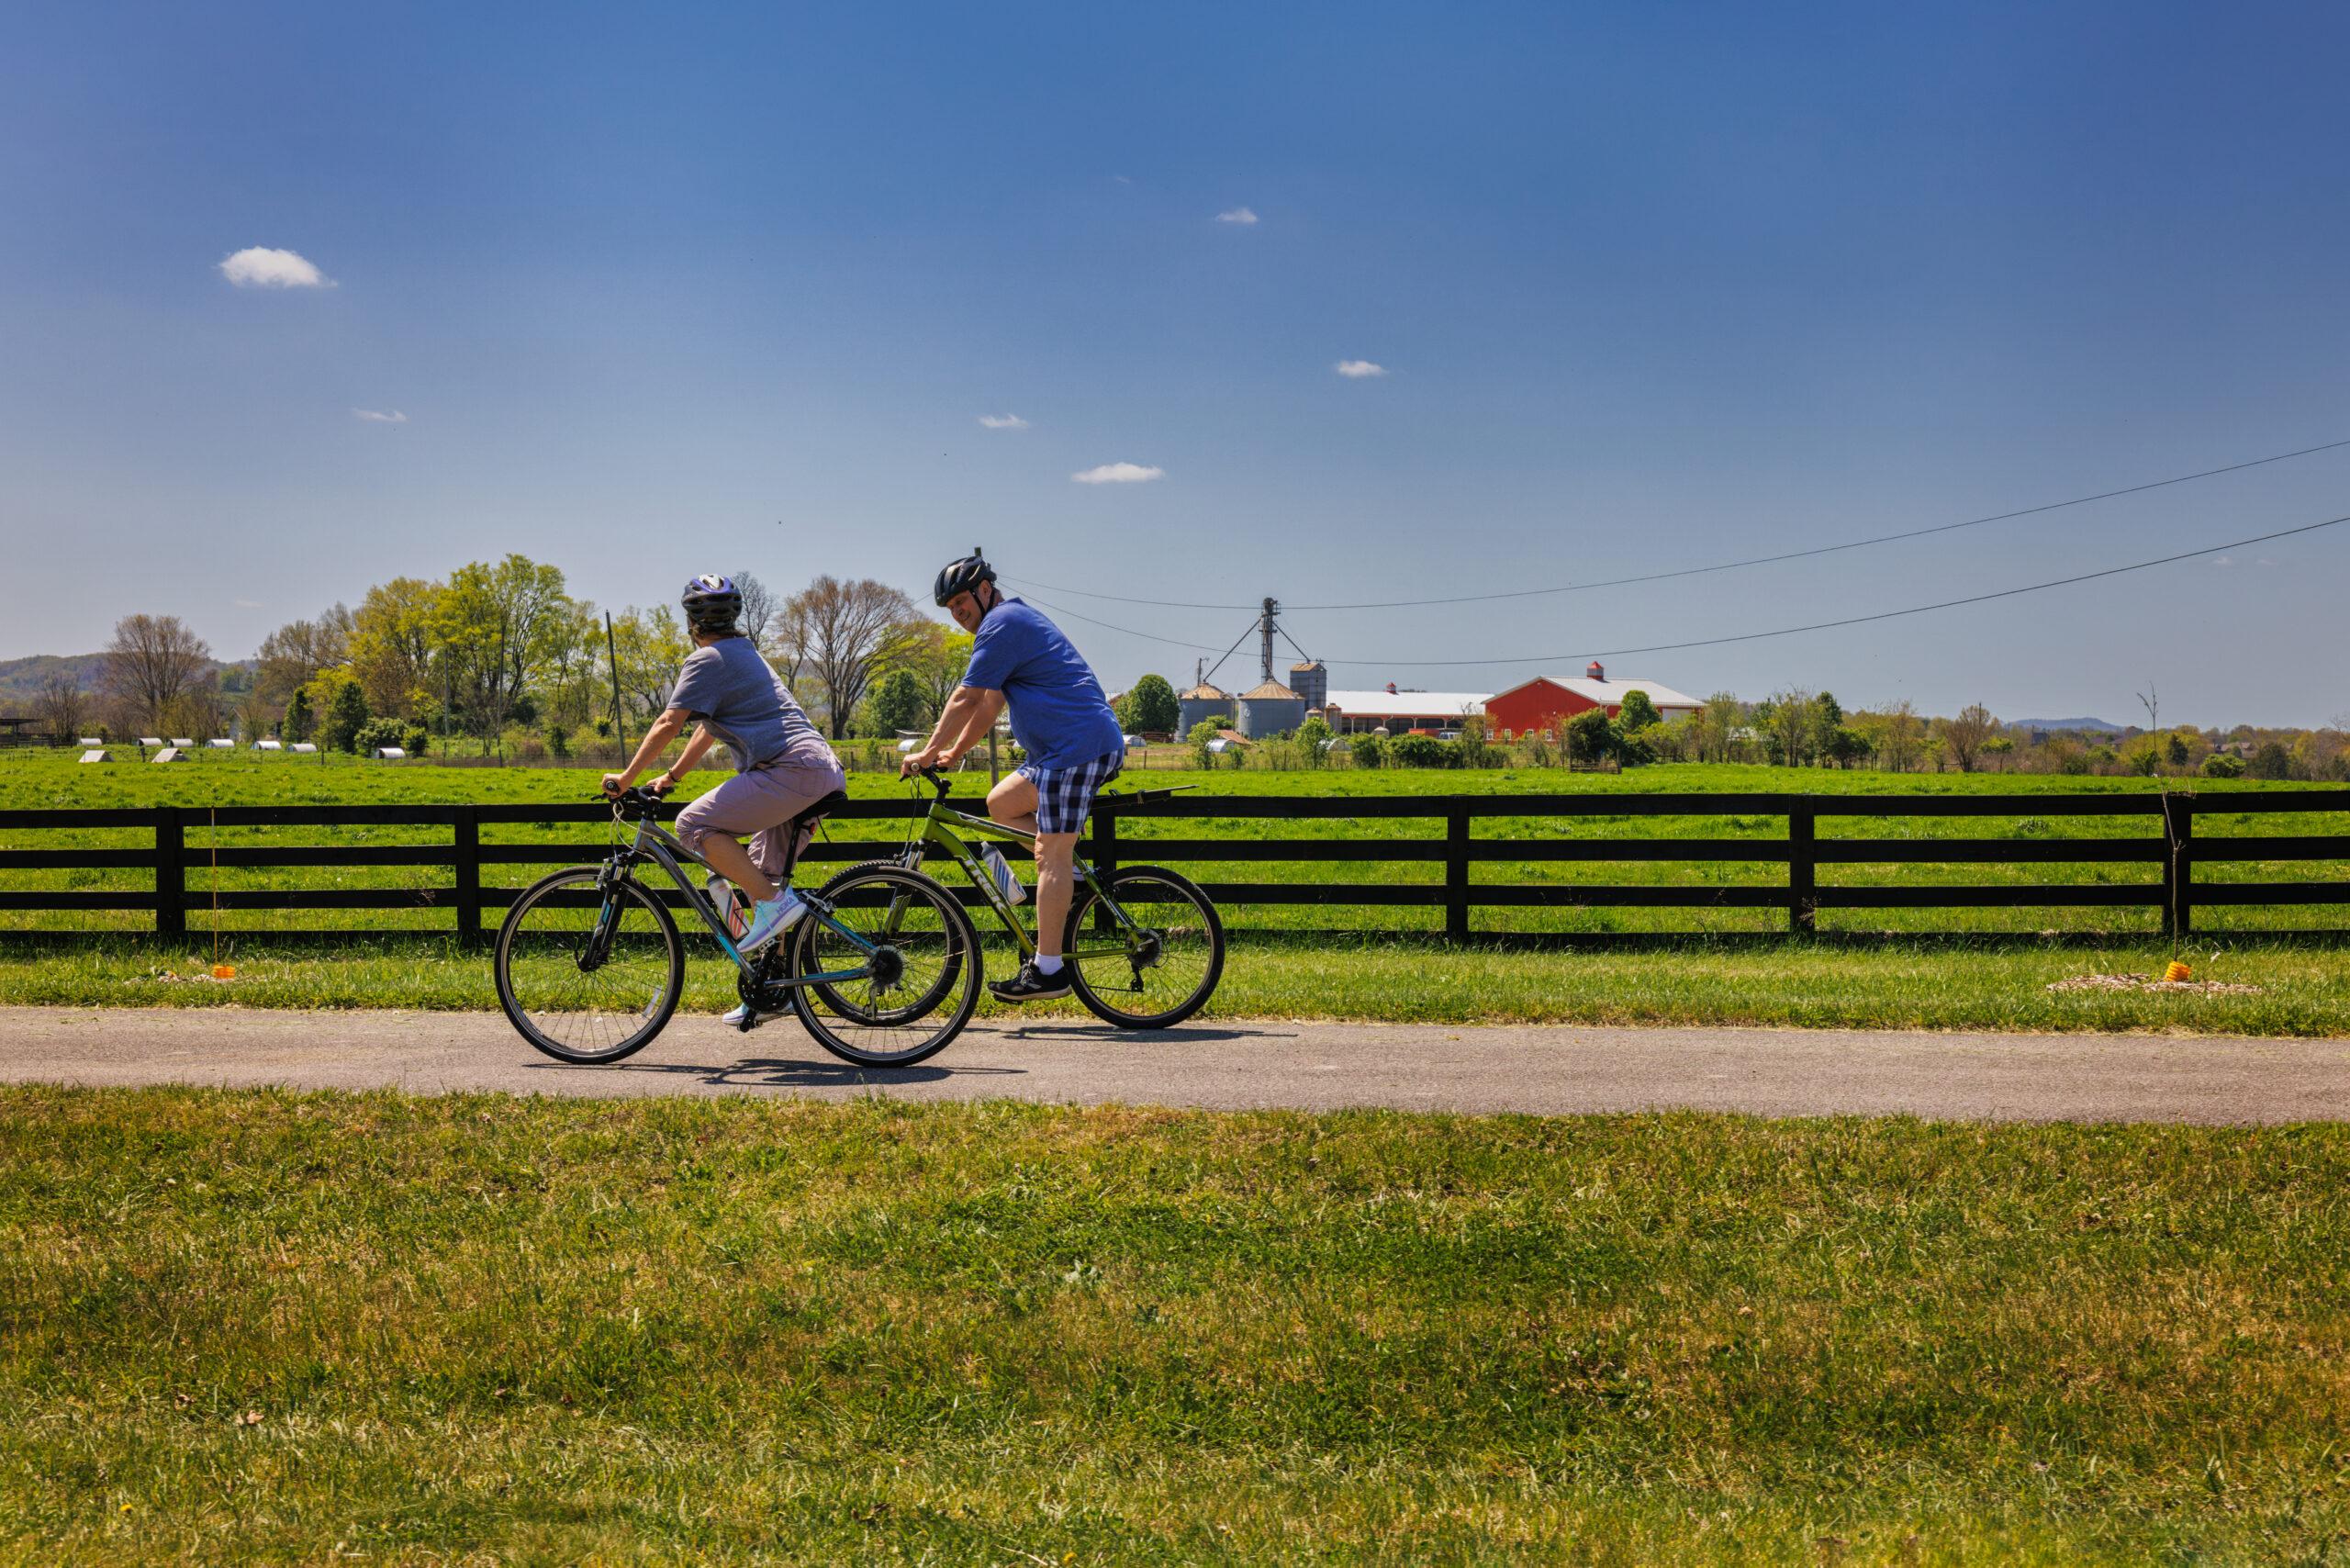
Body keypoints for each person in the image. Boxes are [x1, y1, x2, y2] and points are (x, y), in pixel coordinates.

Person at [602, 576, 845, 1020]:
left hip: (788, 769)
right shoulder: (742, 652)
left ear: (691, 621)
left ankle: (775, 908)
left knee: (693, 826)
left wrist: (626, 776)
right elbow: (703, 726)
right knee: (762, 876)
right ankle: (777, 992)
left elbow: (668, 723)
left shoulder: (705, 660)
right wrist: (671, 776)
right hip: (818, 769)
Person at [902, 552, 1125, 1002]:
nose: (957, 613)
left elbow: (965, 697)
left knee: (1051, 854)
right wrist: (953, 752)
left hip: (1077, 748)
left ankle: (1049, 970)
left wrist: (925, 752)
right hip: (1057, 752)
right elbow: (988, 703)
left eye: (961, 602)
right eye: (950, 609)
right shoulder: (1007, 627)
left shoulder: (1003, 623)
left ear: (985, 590)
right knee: (1000, 804)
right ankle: (1072, 880)